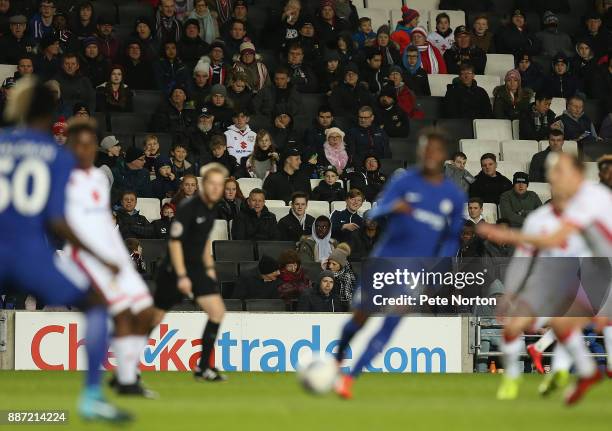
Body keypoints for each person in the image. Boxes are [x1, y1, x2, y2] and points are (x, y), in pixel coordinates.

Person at [0, 77, 131, 421]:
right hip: (31, 254)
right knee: (96, 305)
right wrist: (103, 257)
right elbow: (58, 223)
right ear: (49, 113)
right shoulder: (57, 157)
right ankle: (91, 397)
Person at [333, 128, 466, 399]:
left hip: (414, 271)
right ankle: (337, 357)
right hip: (384, 261)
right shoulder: (404, 182)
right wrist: (392, 208)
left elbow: (452, 240)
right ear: (420, 151)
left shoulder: (453, 195)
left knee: (391, 322)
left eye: (436, 150)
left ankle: (349, 379)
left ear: (444, 157)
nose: (430, 154)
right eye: (426, 149)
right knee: (361, 317)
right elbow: (375, 211)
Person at [477, 153, 611, 404]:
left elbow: (554, 241)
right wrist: (512, 291)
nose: (556, 179)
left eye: (561, 172)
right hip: (565, 279)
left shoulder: (592, 201)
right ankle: (515, 378)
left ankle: (581, 371)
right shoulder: (542, 218)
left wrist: (506, 235)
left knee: (570, 325)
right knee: (528, 327)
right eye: (554, 175)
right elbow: (527, 257)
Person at [63, 119, 157, 398]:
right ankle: (125, 380)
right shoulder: (64, 179)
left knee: (145, 311)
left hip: (109, 253)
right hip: (86, 257)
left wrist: (118, 256)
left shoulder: (96, 177)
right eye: (79, 144)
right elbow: (67, 225)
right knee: (120, 313)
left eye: (90, 144)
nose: (85, 149)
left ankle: (126, 377)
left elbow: (102, 221)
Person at [152, 162, 229, 382]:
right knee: (155, 318)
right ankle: (127, 368)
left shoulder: (212, 208)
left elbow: (203, 241)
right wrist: (182, 275)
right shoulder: (188, 207)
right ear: (203, 185)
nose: (215, 188)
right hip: (174, 270)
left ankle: (203, 367)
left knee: (217, 311)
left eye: (219, 185)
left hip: (196, 269)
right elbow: (175, 244)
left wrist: (209, 269)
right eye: (211, 184)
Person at [325, 246, 356, 311]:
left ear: (341, 265)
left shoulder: (352, 278)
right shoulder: (325, 276)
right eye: (329, 263)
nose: (330, 266)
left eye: (334, 264)